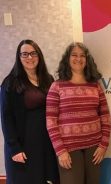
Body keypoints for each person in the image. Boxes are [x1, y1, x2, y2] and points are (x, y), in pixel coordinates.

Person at [46, 42, 111, 184]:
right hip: (68, 149)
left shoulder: (95, 85)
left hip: (94, 148)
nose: (79, 58)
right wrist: (60, 151)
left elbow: (105, 117)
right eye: (74, 55)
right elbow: (51, 121)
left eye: (82, 56)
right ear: (67, 59)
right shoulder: (56, 86)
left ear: (87, 60)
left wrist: (103, 145)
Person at [0, 39, 59, 184]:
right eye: (24, 54)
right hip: (23, 145)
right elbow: (6, 118)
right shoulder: (10, 83)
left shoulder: (48, 79)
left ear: (39, 55)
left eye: (33, 53)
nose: (30, 58)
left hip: (46, 144)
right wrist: (14, 148)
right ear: (19, 57)